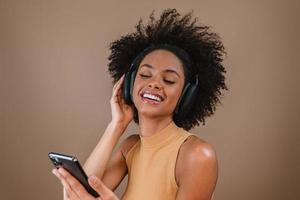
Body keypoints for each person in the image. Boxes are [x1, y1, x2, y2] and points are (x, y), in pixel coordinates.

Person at [52, 8, 228, 200]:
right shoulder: (131, 147)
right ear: (129, 84)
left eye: (169, 80)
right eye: (145, 75)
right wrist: (116, 126)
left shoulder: (197, 154)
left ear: (186, 96)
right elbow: (77, 195)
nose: (154, 83)